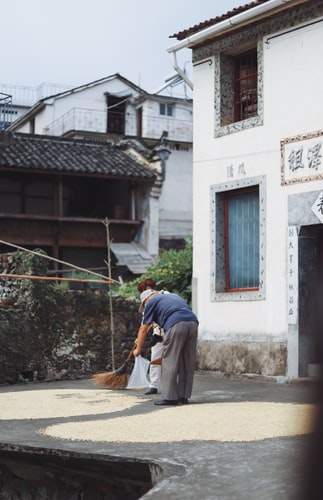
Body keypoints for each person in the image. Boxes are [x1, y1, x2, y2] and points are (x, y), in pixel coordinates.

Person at [134, 289, 199, 406]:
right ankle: (183, 396)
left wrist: (138, 349)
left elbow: (143, 329)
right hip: (193, 323)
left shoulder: (151, 303)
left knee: (169, 361)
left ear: (146, 300)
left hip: (176, 324)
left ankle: (170, 398)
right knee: (187, 361)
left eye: (144, 305)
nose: (145, 307)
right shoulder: (173, 296)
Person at [137, 279, 164, 395]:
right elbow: (145, 324)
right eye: (144, 290)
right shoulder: (146, 302)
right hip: (157, 333)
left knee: (171, 358)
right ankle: (154, 385)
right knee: (154, 358)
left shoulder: (165, 295)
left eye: (148, 289)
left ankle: (173, 386)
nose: (147, 292)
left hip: (170, 329)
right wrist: (140, 338)